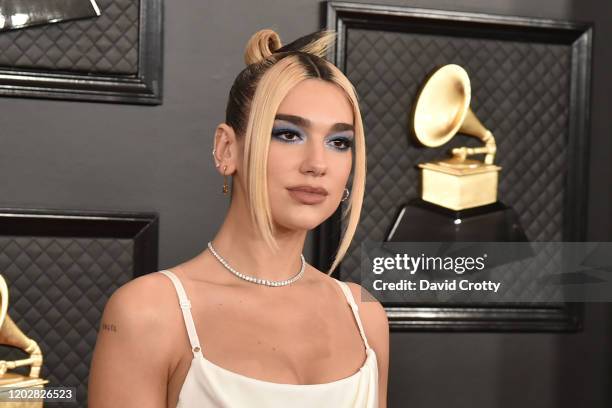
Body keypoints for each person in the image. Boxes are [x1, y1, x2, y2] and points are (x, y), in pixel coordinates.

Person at [88, 28, 389, 408]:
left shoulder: (366, 316)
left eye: (338, 142)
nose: (317, 164)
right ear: (226, 149)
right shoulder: (149, 312)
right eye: (288, 134)